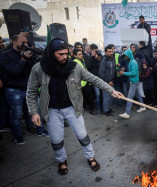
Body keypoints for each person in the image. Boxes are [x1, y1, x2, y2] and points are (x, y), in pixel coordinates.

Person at [26, 38, 123, 175]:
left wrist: (111, 90)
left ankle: (90, 156)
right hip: (51, 110)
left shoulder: (74, 67)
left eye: (66, 53)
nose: (65, 57)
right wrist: (33, 112)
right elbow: (30, 91)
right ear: (51, 53)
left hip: (72, 108)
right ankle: (61, 161)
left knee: (82, 135)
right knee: (56, 139)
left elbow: (93, 79)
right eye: (60, 54)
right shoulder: (39, 69)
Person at [0, 35, 39, 144]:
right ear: (14, 41)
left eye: (26, 43)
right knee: (16, 116)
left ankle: (31, 127)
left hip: (28, 88)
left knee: (30, 112)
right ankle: (18, 136)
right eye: (23, 42)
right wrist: (23, 59)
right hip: (14, 90)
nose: (25, 45)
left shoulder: (27, 54)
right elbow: (14, 72)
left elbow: (32, 71)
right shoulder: (5, 56)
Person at [118, 49, 146, 119]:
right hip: (134, 81)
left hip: (134, 81)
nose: (125, 57)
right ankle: (142, 106)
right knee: (137, 94)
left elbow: (133, 73)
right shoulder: (131, 62)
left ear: (129, 55)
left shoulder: (133, 62)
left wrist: (123, 73)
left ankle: (127, 113)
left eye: (126, 56)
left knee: (129, 97)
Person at [73, 49, 96, 115]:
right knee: (87, 97)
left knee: (89, 97)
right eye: (79, 55)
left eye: (81, 54)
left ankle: (89, 108)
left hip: (85, 82)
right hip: (81, 83)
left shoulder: (82, 61)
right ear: (75, 56)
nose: (81, 55)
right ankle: (90, 109)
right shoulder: (75, 63)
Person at [99, 46, 116, 116]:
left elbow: (113, 70)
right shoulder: (104, 61)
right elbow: (101, 73)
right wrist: (108, 81)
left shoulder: (112, 59)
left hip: (111, 82)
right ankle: (105, 111)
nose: (111, 53)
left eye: (112, 51)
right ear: (106, 52)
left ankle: (108, 109)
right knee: (107, 97)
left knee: (111, 97)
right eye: (109, 52)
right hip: (106, 82)